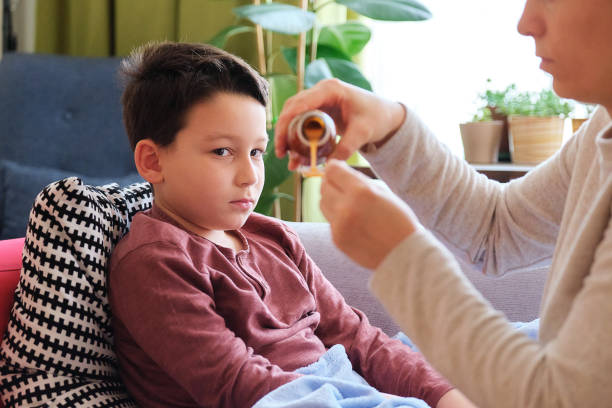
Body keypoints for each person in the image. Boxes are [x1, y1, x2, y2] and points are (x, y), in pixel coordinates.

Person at [274, 0, 612, 407]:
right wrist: (390, 126)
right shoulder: (603, 126)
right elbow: (497, 228)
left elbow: (556, 398)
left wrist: (399, 256)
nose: (527, 23)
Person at [108, 41, 474, 408]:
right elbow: (235, 384)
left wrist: (441, 394)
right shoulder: (154, 260)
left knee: (511, 346)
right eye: (222, 151)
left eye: (256, 151)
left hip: (338, 380)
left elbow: (355, 335)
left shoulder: (273, 235)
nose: (249, 175)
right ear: (153, 161)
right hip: (280, 399)